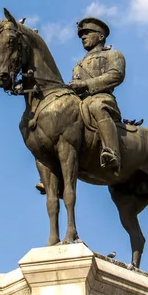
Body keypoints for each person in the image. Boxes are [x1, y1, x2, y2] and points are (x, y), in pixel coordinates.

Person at [35, 16, 126, 194]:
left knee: (96, 107)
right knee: (61, 123)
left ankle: (111, 152)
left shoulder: (112, 54)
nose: (83, 37)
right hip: (81, 102)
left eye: (87, 33)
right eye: (81, 35)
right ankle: (56, 175)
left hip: (102, 98)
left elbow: (116, 75)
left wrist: (86, 85)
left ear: (100, 36)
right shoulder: (78, 65)